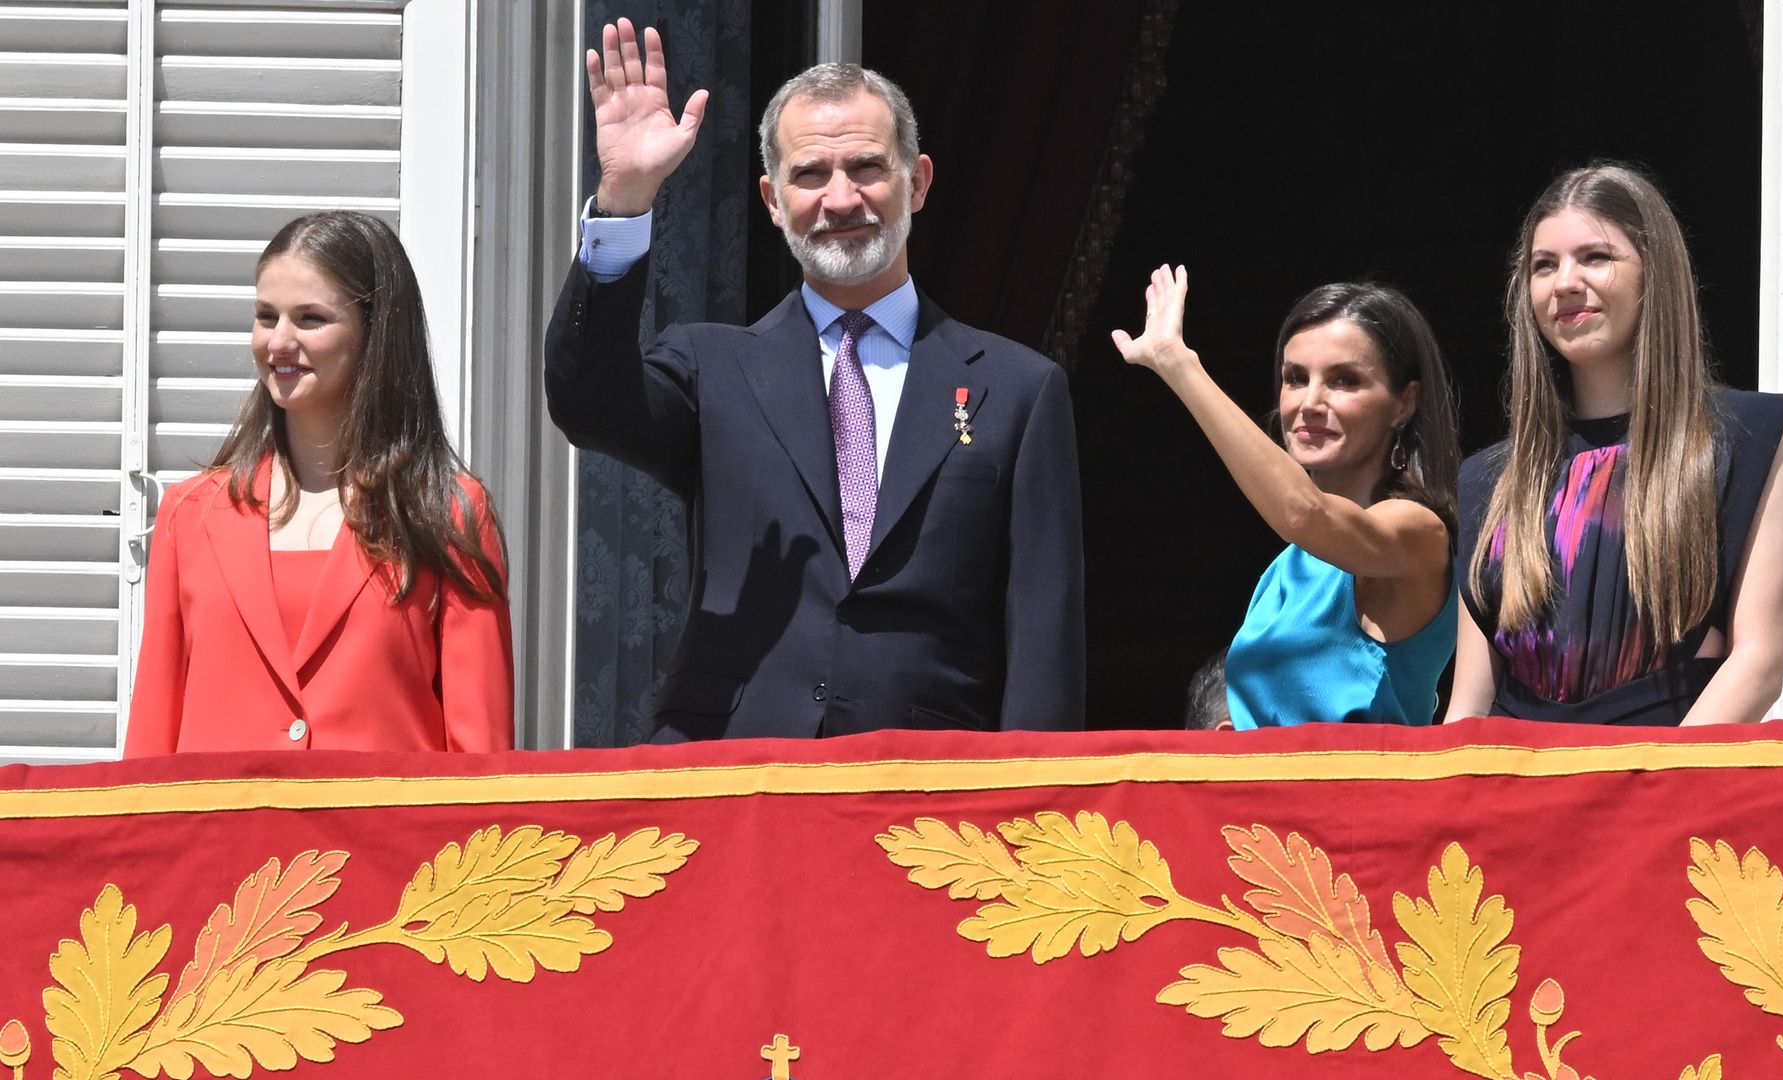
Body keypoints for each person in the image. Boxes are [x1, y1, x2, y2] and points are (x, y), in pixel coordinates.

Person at [544, 21, 1084, 740]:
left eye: (865, 167)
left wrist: (1029, 813)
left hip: (932, 797)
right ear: (771, 200)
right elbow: (586, 403)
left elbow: (1044, 633)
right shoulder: (713, 367)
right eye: (809, 174)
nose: (839, 199)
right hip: (735, 777)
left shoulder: (1018, 389)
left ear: (916, 183)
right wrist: (625, 201)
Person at [126, 211, 513, 755]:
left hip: (385, 840)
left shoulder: (447, 512)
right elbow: (149, 744)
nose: (279, 341)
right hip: (220, 838)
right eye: (266, 316)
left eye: (310, 318)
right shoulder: (189, 514)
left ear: (375, 332)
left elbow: (483, 765)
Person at [1444, 163, 1783, 727]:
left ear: (1653, 273)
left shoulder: (1745, 436)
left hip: (1671, 793)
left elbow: (1759, 662)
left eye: (1595, 257)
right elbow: (1469, 703)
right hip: (1519, 797)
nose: (1564, 282)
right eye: (1544, 265)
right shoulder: (1489, 479)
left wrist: (1648, 797)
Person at [1113, 268, 1460, 727]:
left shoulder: (1418, 531)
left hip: (1355, 796)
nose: (1309, 402)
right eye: (1296, 378)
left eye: (1344, 380)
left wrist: (1179, 364)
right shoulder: (1290, 564)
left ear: (1405, 403)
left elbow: (1305, 512)